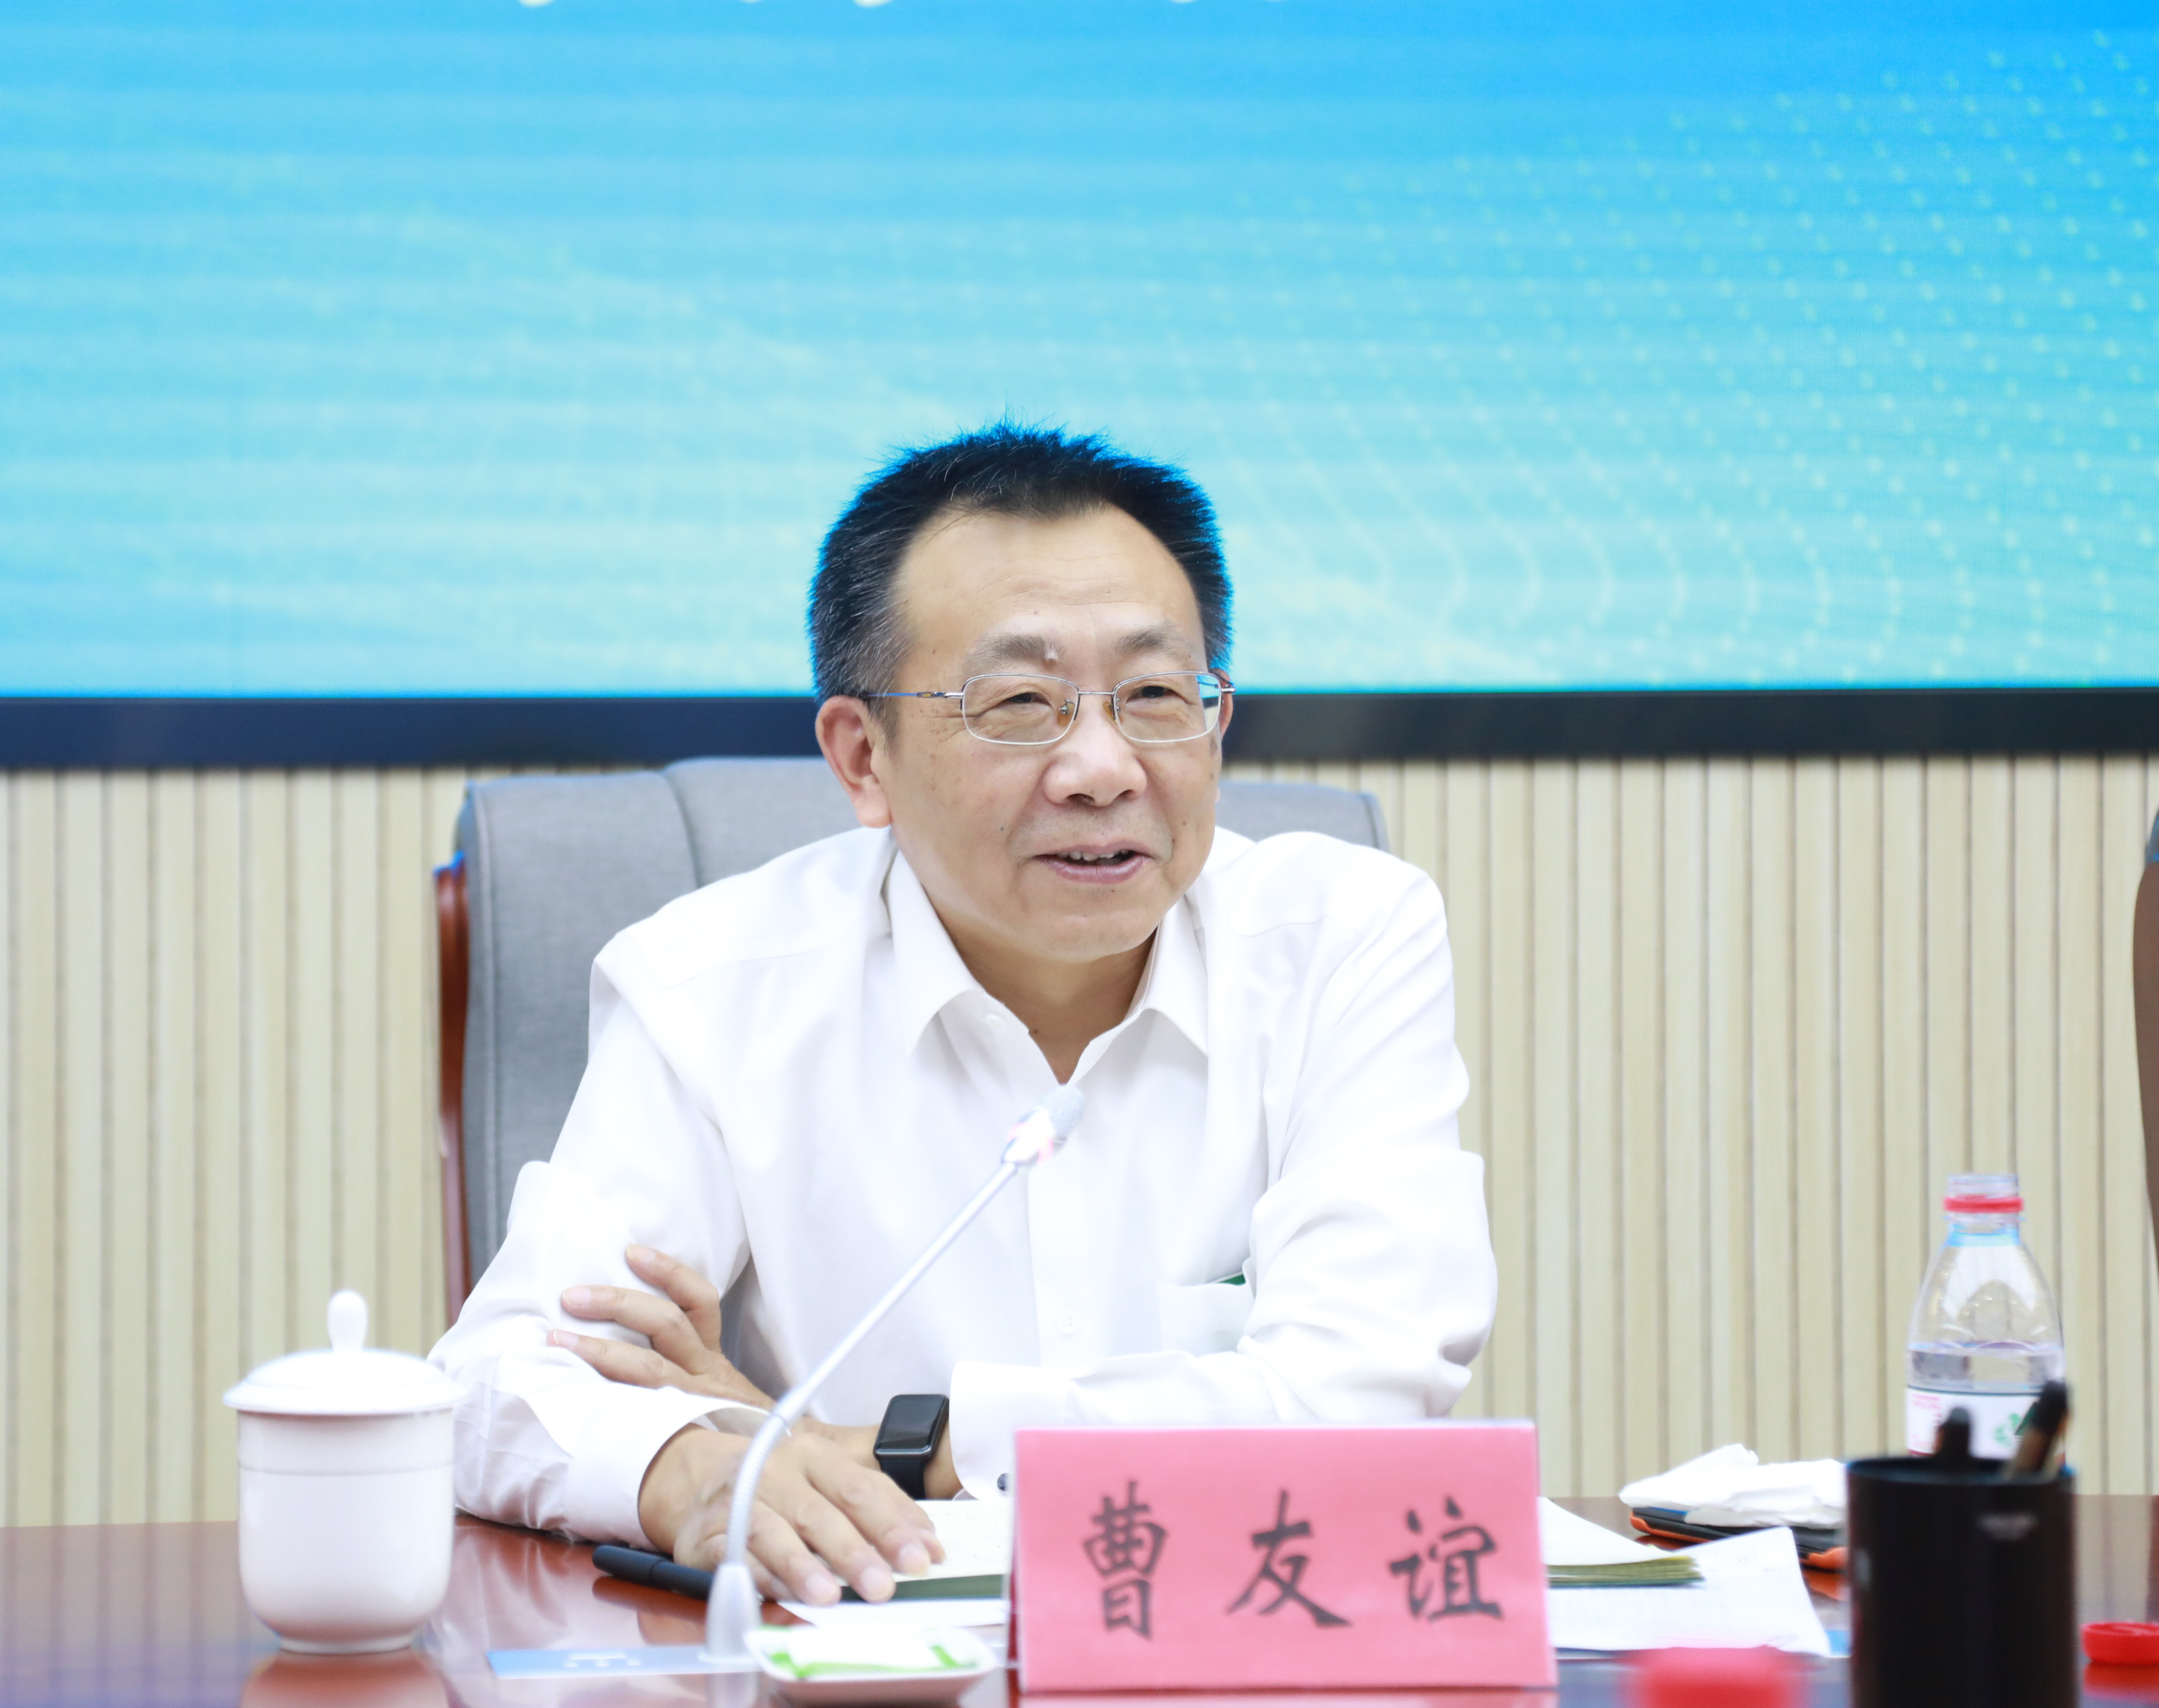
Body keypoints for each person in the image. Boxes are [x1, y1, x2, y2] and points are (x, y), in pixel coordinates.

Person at [428, 424, 1497, 1610]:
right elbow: (492, 1384)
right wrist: (686, 1466)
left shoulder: (1341, 941)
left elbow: (1362, 1404)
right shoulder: (710, 986)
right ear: (863, 759)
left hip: (1240, 1646)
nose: (1103, 768)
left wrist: (882, 1447)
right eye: (1020, 703)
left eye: (1155, 696)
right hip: (868, 1651)